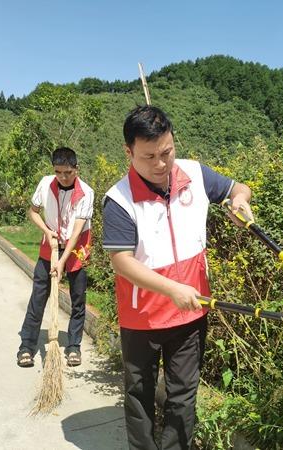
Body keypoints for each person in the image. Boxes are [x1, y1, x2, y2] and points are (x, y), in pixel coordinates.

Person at [102, 105, 253, 450]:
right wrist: (170, 288)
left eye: (167, 152)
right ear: (129, 152)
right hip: (142, 317)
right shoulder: (119, 199)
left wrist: (240, 202)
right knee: (139, 394)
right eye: (149, 156)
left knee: (183, 395)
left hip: (191, 309)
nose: (160, 164)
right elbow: (122, 262)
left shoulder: (195, 174)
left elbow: (238, 188)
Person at [17, 147, 94, 368]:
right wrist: (46, 231)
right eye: (58, 171)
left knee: (77, 299)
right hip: (50, 244)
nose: (63, 177)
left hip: (76, 246)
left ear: (76, 169)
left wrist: (62, 261)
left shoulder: (86, 193)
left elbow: (78, 230)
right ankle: (27, 346)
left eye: (68, 172)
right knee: (38, 296)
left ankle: (73, 347)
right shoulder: (45, 184)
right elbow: (33, 211)